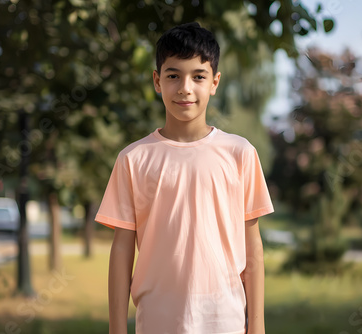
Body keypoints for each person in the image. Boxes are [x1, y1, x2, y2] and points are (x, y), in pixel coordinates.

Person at [95, 22, 274, 334]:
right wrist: (116, 329)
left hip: (225, 320)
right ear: (157, 80)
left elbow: (252, 245)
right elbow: (122, 249)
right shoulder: (132, 160)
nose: (185, 88)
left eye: (198, 76)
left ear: (215, 82)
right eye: (173, 75)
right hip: (156, 321)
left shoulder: (240, 154)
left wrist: (256, 327)